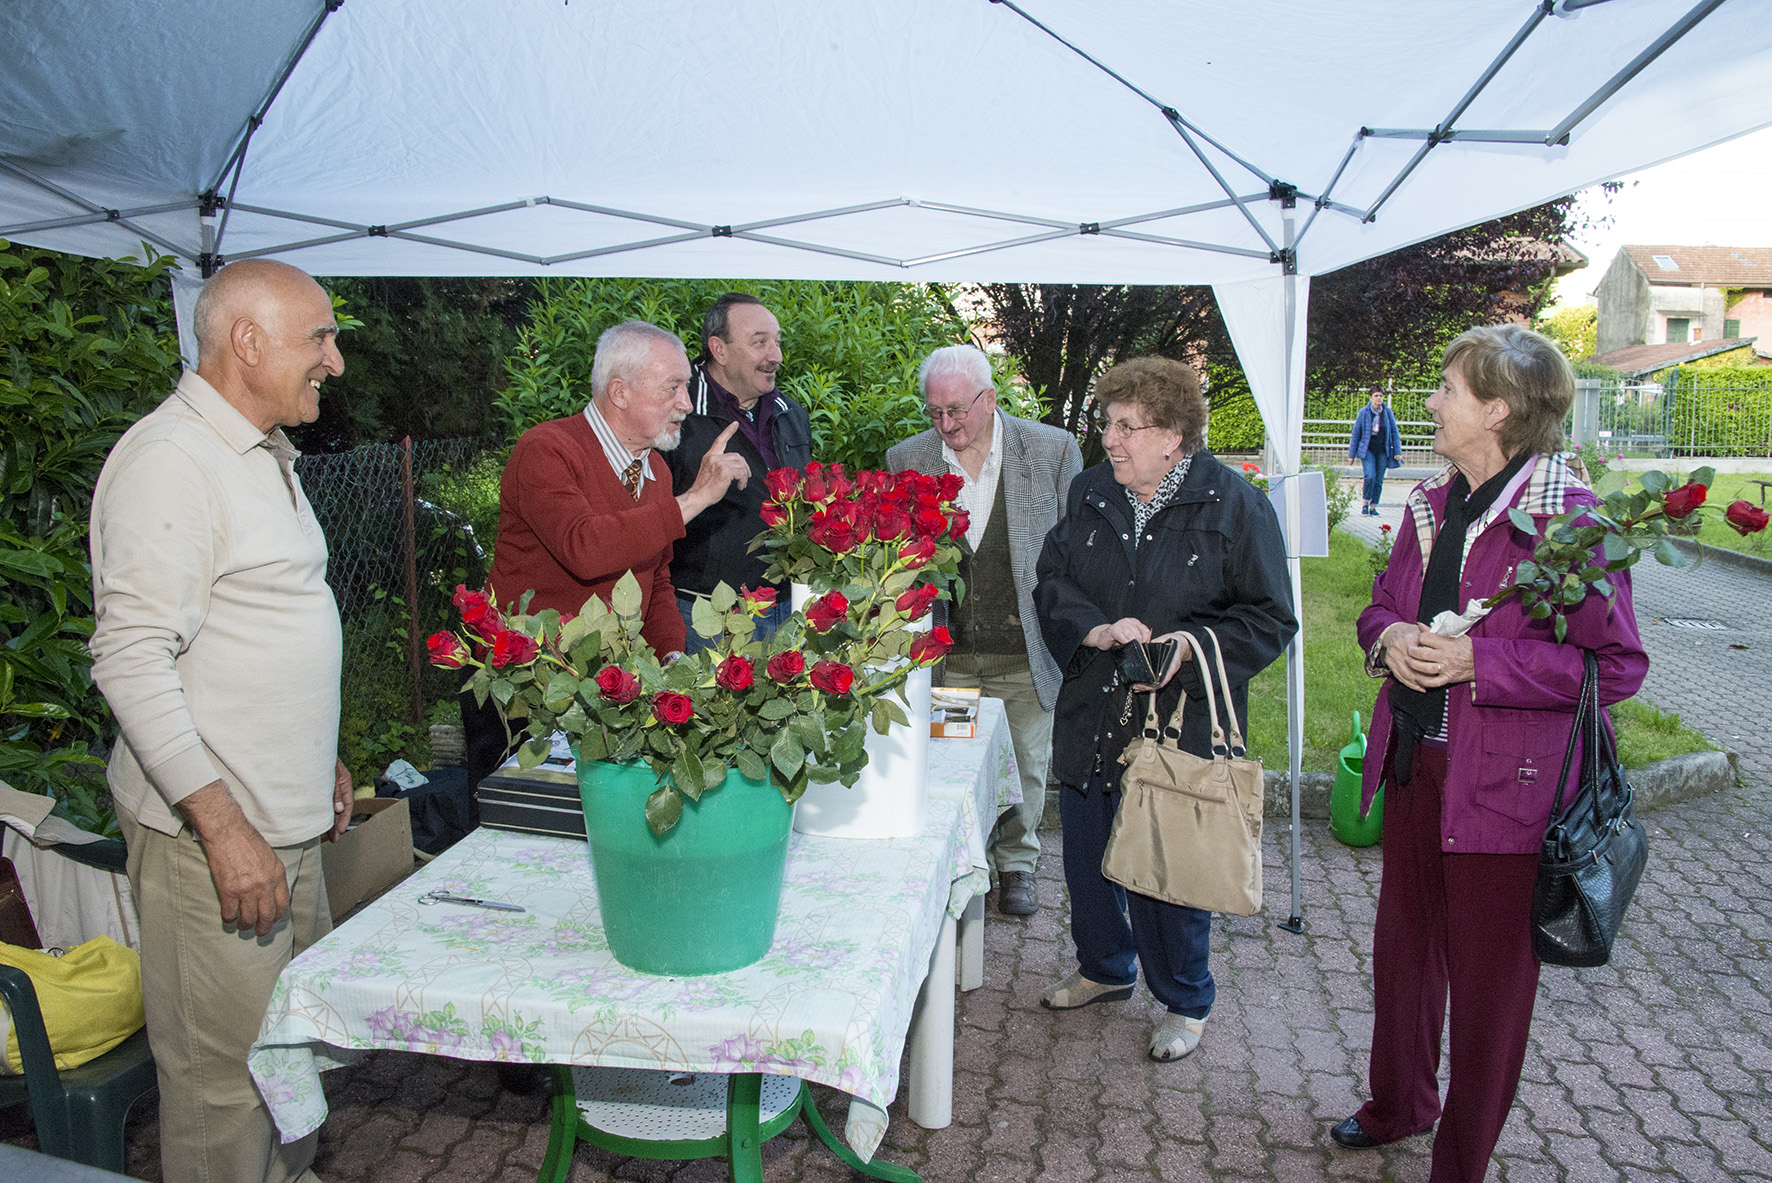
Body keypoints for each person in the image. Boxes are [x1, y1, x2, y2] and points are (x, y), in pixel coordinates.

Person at [1332, 325, 1648, 1181]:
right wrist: (1391, 636)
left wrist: (1481, 660)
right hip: (1414, 765)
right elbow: (1376, 609)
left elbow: (1616, 667)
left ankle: (1459, 1162)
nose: (1430, 402)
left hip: (1509, 792)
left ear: (1499, 409)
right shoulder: (1431, 504)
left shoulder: (1570, 526)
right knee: (1404, 953)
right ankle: (1398, 1103)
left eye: (1447, 388)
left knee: (1488, 992)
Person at [88, 259, 354, 1183]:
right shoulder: (172, 462)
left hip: (288, 828)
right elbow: (129, 659)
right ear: (248, 342)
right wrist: (225, 826)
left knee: (289, 1063)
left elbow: (261, 626)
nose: (336, 359)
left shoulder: (261, 452)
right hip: (218, 845)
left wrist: (322, 754)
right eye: (319, 336)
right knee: (224, 1087)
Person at [1033, 357, 1295, 1061]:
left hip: (1181, 720)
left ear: (1174, 434)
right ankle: (1105, 967)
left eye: (1127, 426)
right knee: (1088, 853)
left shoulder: (1235, 505)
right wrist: (1096, 627)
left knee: (1167, 866)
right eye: (1107, 423)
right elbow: (1052, 578)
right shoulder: (1091, 490)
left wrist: (1193, 646)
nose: (1110, 439)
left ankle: (1185, 998)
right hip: (1096, 706)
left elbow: (1271, 618)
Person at [462, 319, 750, 786]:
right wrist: (695, 498)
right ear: (619, 392)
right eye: (673, 387)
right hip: (522, 685)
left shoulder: (654, 467)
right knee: (520, 831)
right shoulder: (546, 449)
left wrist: (671, 660)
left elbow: (655, 581)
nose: (685, 403)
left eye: (686, 386)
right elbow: (585, 547)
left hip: (605, 688)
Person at [886, 345, 1083, 916]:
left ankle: (1018, 864)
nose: (946, 425)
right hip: (951, 657)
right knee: (953, 765)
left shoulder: (1050, 451)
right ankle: (963, 860)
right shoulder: (908, 459)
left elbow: (1076, 551)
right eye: (935, 412)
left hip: (1025, 649)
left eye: (957, 411)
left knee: (1026, 762)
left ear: (990, 399)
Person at [665, 293, 812, 650]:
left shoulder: (791, 414)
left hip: (784, 609)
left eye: (776, 342)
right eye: (760, 343)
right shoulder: (677, 413)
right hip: (702, 615)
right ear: (719, 349)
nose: (775, 356)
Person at [1349, 388, 1403, 516]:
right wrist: (1351, 455)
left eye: (1381, 395)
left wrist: (1397, 451)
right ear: (1370, 397)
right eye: (1376, 395)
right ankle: (1365, 503)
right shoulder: (1364, 413)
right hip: (1368, 449)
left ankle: (1374, 506)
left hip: (1383, 450)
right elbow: (1356, 434)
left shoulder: (1387, 413)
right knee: (1370, 476)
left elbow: (1394, 432)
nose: (1378, 398)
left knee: (1379, 479)